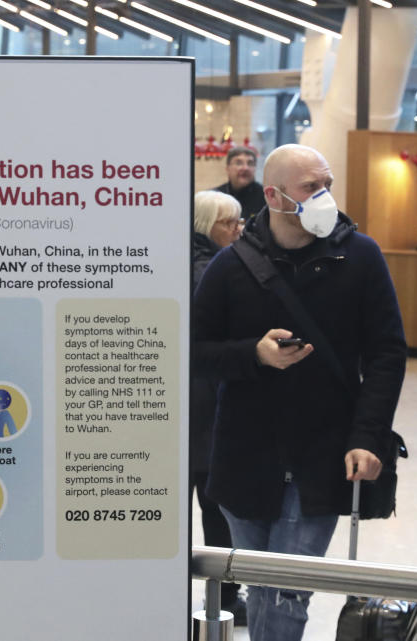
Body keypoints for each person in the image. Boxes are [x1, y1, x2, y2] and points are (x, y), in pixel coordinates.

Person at [194, 143, 407, 641]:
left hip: (322, 451)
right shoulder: (231, 266)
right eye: (312, 188)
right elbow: (194, 349)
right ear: (274, 195)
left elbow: (386, 353)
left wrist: (367, 436)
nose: (325, 196)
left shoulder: (360, 257)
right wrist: (254, 354)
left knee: (286, 596)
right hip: (245, 453)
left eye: (327, 185)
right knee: (258, 584)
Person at [190, 189, 246, 623]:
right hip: (205, 408)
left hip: (196, 409)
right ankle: (226, 598)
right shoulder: (212, 269)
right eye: (230, 223)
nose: (239, 230)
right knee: (218, 507)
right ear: (205, 226)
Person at [213, 147, 265, 219]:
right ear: (227, 169)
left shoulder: (265, 197)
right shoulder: (215, 197)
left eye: (250, 163)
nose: (245, 168)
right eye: (239, 163)